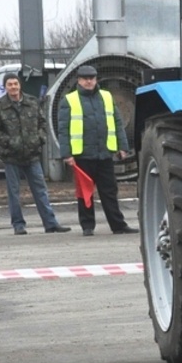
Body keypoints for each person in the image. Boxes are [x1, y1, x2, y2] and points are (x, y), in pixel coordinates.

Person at [56, 65, 138, 236]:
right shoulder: (69, 100)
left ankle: (118, 225)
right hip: (82, 155)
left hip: (104, 154)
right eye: (85, 79)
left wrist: (122, 146)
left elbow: (117, 122)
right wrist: (66, 154)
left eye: (91, 78)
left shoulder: (106, 97)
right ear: (79, 80)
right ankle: (87, 226)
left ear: (96, 79)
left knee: (110, 191)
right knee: (84, 193)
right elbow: (63, 129)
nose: (89, 81)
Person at [0, 73, 71, 235]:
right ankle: (18, 225)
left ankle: (51, 224)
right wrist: (9, 142)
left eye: (15, 84)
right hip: (11, 156)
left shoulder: (32, 102)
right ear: (5, 87)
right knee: (14, 193)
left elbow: (42, 123)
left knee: (41, 191)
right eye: (10, 84)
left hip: (32, 155)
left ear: (20, 85)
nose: (13, 87)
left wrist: (39, 139)